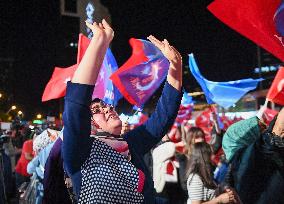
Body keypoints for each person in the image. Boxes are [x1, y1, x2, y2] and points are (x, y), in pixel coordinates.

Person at [62, 19, 182, 203]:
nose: (107, 108)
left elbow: (162, 117)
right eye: (96, 109)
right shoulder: (79, 150)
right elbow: (76, 105)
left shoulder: (130, 144)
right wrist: (99, 42)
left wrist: (176, 66)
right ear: (88, 124)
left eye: (107, 105)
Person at [223, 108, 284, 204]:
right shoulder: (247, 158)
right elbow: (278, 130)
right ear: (245, 138)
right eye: (261, 129)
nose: (264, 132)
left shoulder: (236, 169)